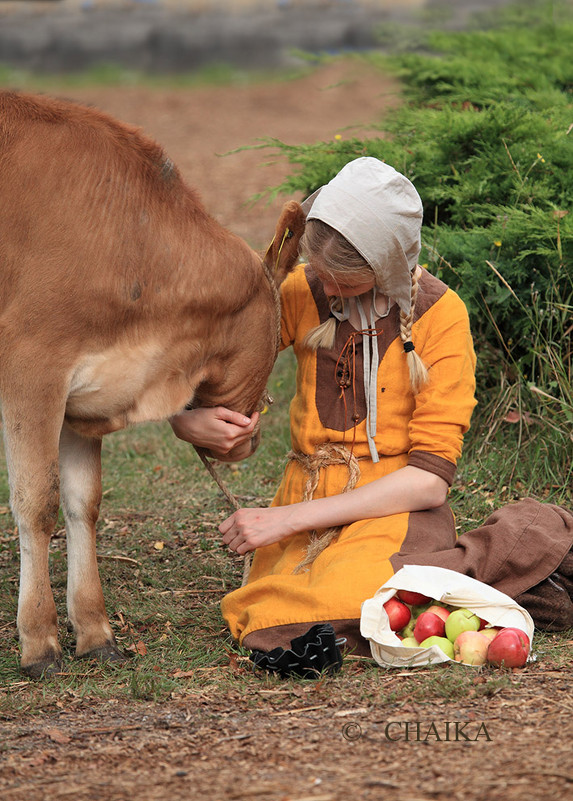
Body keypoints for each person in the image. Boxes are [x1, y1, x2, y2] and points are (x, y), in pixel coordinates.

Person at [171, 157, 573, 671]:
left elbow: (429, 483)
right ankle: (512, 576)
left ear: (386, 265)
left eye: (345, 280)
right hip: (312, 493)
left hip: (396, 506)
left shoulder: (439, 318)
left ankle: (524, 539)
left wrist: (282, 520)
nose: (328, 287)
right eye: (321, 274)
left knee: (347, 606)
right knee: (271, 618)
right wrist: (186, 417)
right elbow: (206, 363)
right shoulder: (302, 292)